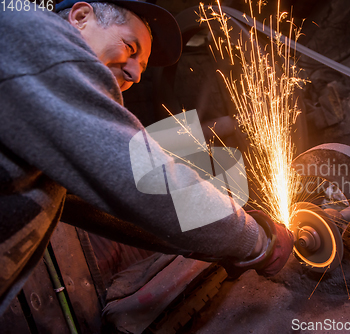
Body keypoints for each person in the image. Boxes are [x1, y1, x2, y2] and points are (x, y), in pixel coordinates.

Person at [0, 0, 294, 315]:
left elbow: (122, 209)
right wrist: (255, 240)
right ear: (81, 16)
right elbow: (142, 178)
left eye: (142, 64)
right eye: (130, 47)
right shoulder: (28, 32)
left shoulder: (49, 126)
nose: (136, 73)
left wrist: (227, 236)